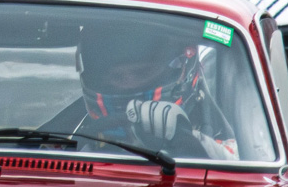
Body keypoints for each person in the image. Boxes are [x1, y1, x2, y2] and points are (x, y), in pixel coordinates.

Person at [46, 28, 236, 159]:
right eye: (116, 77)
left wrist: (191, 142)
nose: (128, 86)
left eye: (141, 74)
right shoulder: (65, 136)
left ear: (183, 70)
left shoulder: (231, 130)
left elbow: (250, 171)